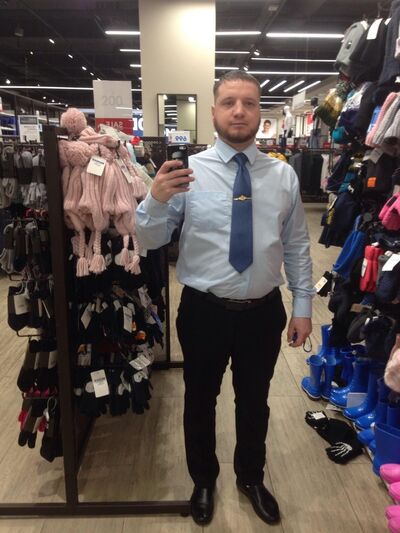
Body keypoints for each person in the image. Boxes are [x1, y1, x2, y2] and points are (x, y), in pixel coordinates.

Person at [136, 70, 314, 526]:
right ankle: (203, 479)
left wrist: (303, 307)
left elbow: (296, 245)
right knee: (200, 399)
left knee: (254, 401)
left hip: (262, 313)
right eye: (229, 102)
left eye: (249, 103)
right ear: (213, 111)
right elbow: (149, 240)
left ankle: (251, 477)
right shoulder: (187, 173)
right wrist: (155, 200)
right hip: (203, 311)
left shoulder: (283, 176)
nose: (239, 111)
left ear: (260, 113)